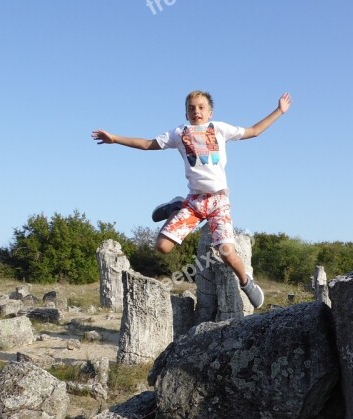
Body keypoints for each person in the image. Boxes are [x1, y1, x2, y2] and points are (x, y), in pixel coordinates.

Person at [91, 90, 292, 308]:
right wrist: (115, 139)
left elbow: (254, 131)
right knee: (162, 247)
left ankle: (246, 282)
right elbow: (148, 144)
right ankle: (176, 207)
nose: (196, 111)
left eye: (201, 107)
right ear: (186, 113)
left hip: (218, 201)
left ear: (210, 112)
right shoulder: (179, 133)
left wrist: (279, 111)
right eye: (191, 108)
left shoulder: (220, 129)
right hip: (195, 203)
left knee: (227, 252)